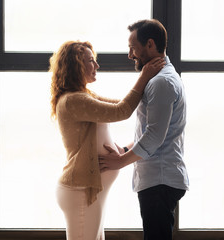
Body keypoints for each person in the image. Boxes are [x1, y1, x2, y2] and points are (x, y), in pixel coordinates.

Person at [49, 40, 164, 240]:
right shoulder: (74, 100)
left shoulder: (83, 96)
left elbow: (122, 105)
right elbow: (122, 111)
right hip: (81, 192)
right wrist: (145, 76)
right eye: (91, 61)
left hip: (86, 192)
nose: (96, 66)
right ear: (76, 65)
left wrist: (129, 149)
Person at [99, 19, 189, 240]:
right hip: (159, 179)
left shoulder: (161, 82)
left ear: (150, 44)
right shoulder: (160, 78)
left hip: (160, 180)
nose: (130, 55)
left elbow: (155, 136)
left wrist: (121, 161)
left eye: (133, 48)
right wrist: (125, 149)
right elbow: (155, 130)